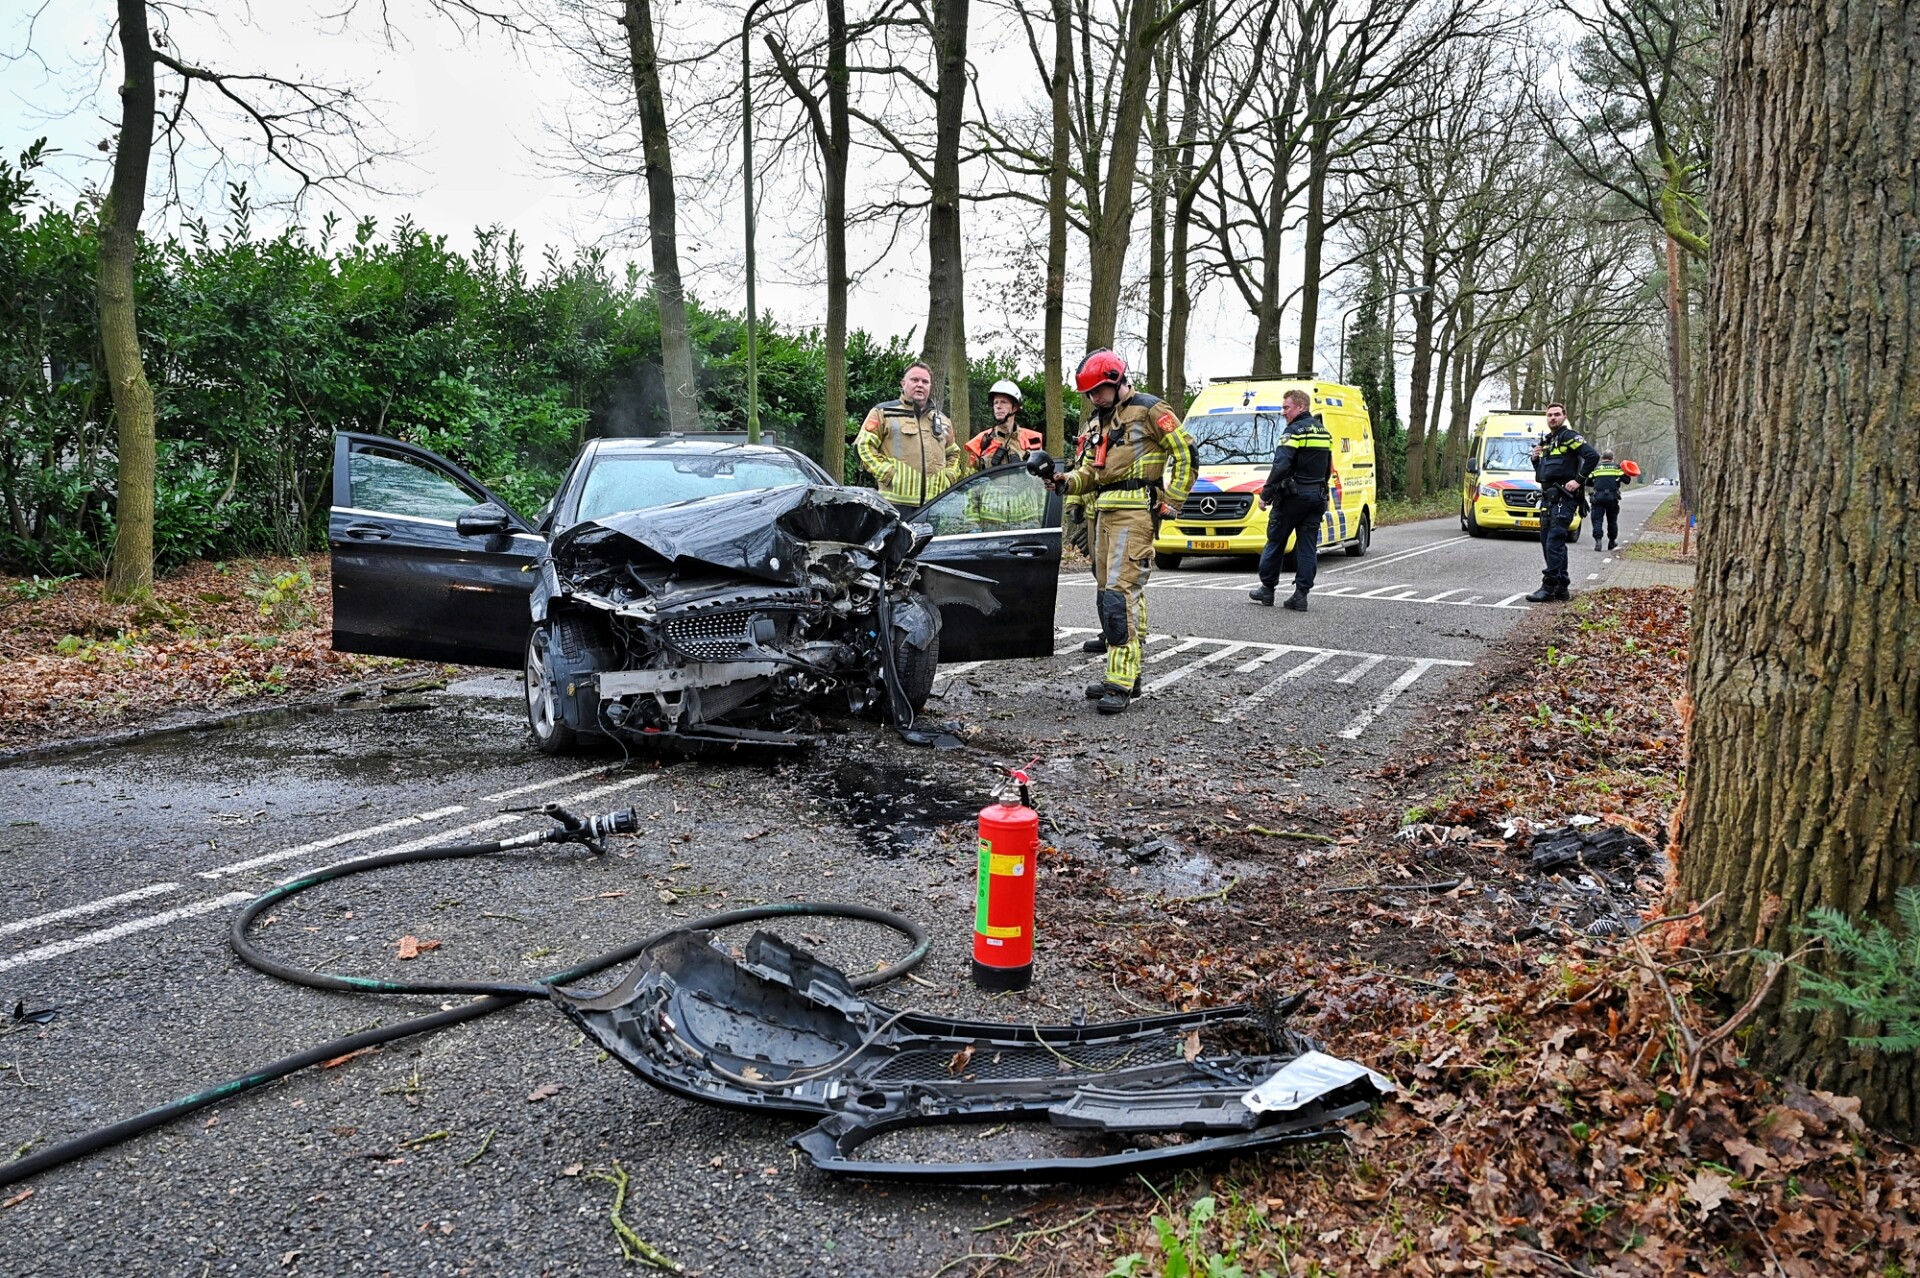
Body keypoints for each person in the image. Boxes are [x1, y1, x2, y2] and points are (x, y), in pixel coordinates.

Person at [1042, 350, 1195, 714]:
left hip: (1135, 514)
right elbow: (1091, 474)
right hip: (1105, 513)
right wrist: (1064, 482)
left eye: (1099, 390)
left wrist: (1173, 500)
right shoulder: (1098, 423)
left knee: (1118, 595)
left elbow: (1186, 452)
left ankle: (1120, 681)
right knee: (1116, 595)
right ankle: (1131, 672)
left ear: (1117, 378)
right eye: (1089, 393)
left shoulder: (1151, 410)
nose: (1094, 398)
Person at [1248, 390, 1335, 612]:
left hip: (1292, 497)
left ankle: (1267, 589)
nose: (1283, 412)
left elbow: (1281, 465)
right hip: (1317, 496)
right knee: (1307, 546)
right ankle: (1300, 595)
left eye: (1287, 407)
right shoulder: (1324, 433)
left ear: (1301, 407)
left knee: (1276, 540)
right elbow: (1327, 467)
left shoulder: (1293, 431)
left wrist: (1266, 494)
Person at [855, 361, 963, 514]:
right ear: (903, 383)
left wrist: (949, 477)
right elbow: (863, 447)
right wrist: (886, 473)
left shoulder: (943, 420)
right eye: (915, 380)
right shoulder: (883, 413)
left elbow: (954, 453)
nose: (920, 385)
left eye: (925, 381)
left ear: (930, 387)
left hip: (934, 505)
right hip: (894, 504)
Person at [1526, 402, 1599, 602]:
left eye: (1557, 414)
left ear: (1564, 416)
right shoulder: (1548, 441)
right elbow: (1543, 475)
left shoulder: (1569, 437)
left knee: (1554, 541)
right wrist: (1536, 461)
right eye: (1549, 415)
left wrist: (1578, 480)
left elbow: (1593, 456)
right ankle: (1562, 586)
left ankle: (1548, 586)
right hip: (1548, 500)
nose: (1553, 418)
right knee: (1548, 542)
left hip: (1564, 500)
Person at [965, 380, 1044, 470]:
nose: (998, 406)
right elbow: (970, 479)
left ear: (1015, 407)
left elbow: (1041, 476)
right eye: (995, 402)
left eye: (1003, 402)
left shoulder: (1033, 439)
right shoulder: (980, 440)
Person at [1587, 450, 1630, 550]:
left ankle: (1598, 541)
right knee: (1612, 520)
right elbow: (1627, 481)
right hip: (1612, 497)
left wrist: (1598, 483)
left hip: (1598, 497)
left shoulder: (1596, 468)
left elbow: (1588, 482)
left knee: (1597, 520)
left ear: (1602, 458)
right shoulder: (1616, 468)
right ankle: (1611, 541)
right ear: (1612, 458)